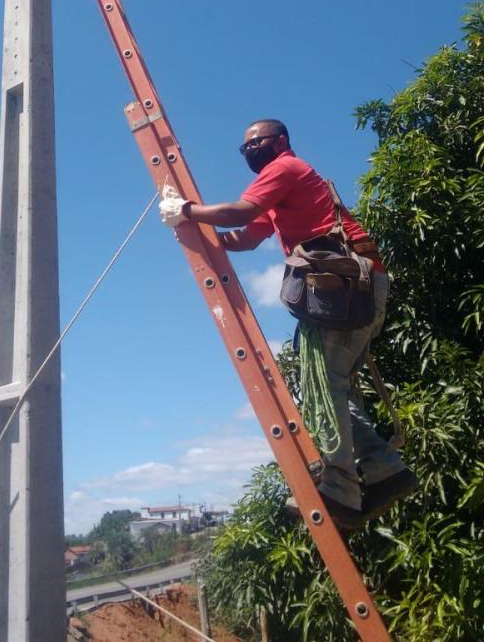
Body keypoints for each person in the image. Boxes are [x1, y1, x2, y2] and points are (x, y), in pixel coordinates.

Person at [158, 117, 416, 529]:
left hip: (348, 286)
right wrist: (199, 238)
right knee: (329, 385)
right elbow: (246, 235)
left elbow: (239, 211)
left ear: (279, 142)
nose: (250, 151)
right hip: (349, 289)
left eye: (255, 143)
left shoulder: (285, 168)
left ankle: (342, 487)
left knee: (324, 384)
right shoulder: (282, 192)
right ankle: (386, 471)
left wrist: (185, 210)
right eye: (245, 148)